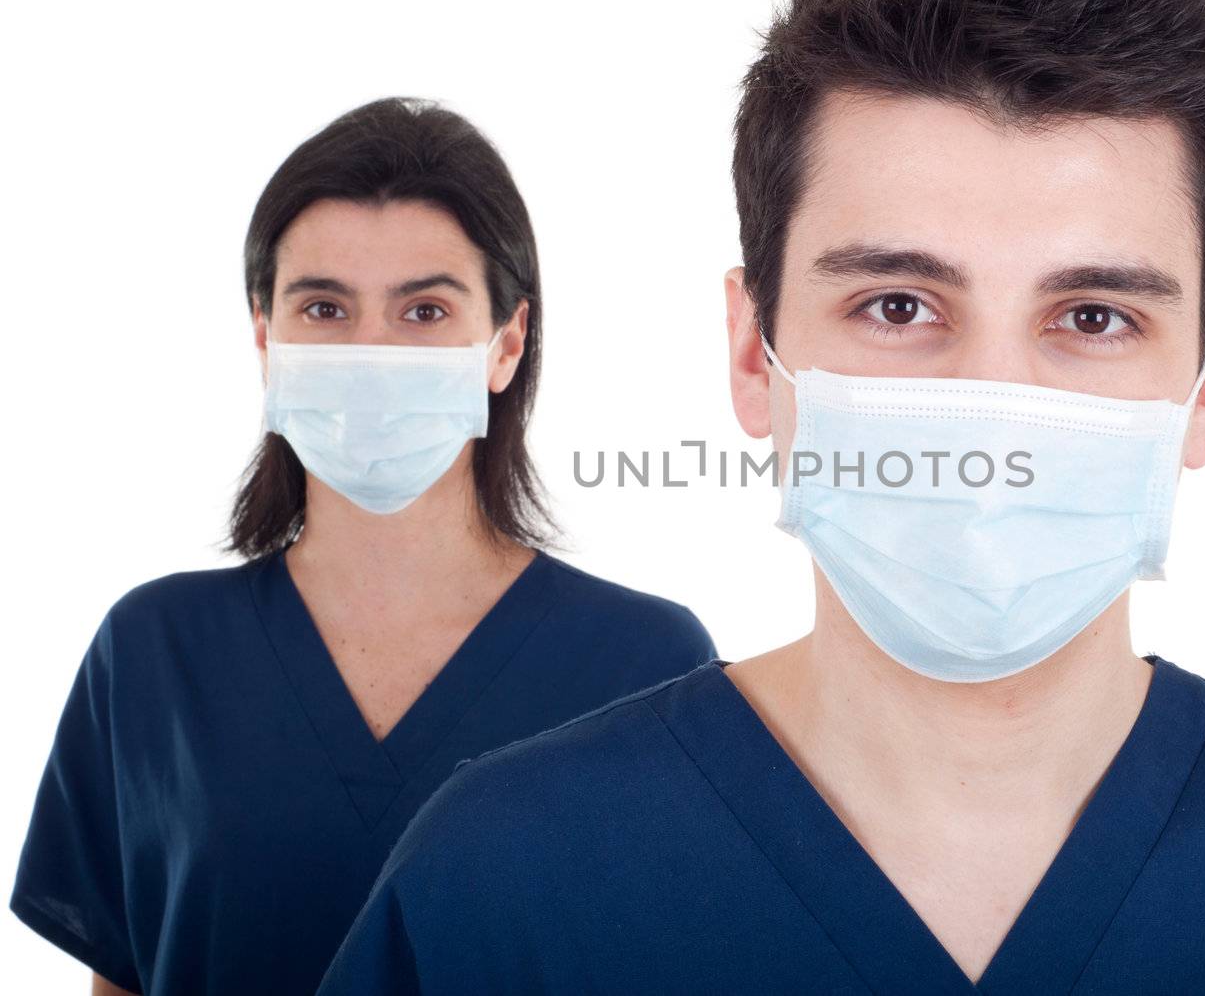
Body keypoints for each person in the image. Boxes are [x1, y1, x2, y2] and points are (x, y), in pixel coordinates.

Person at [317, 0, 1205, 994]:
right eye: (898, 307)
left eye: (1093, 318)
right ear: (755, 356)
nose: (992, 412)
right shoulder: (501, 889)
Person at [9, 97, 717, 996]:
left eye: (424, 311)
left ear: (506, 343)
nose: (372, 349)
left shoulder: (649, 671)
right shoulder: (154, 652)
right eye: (326, 307)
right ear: (265, 337)